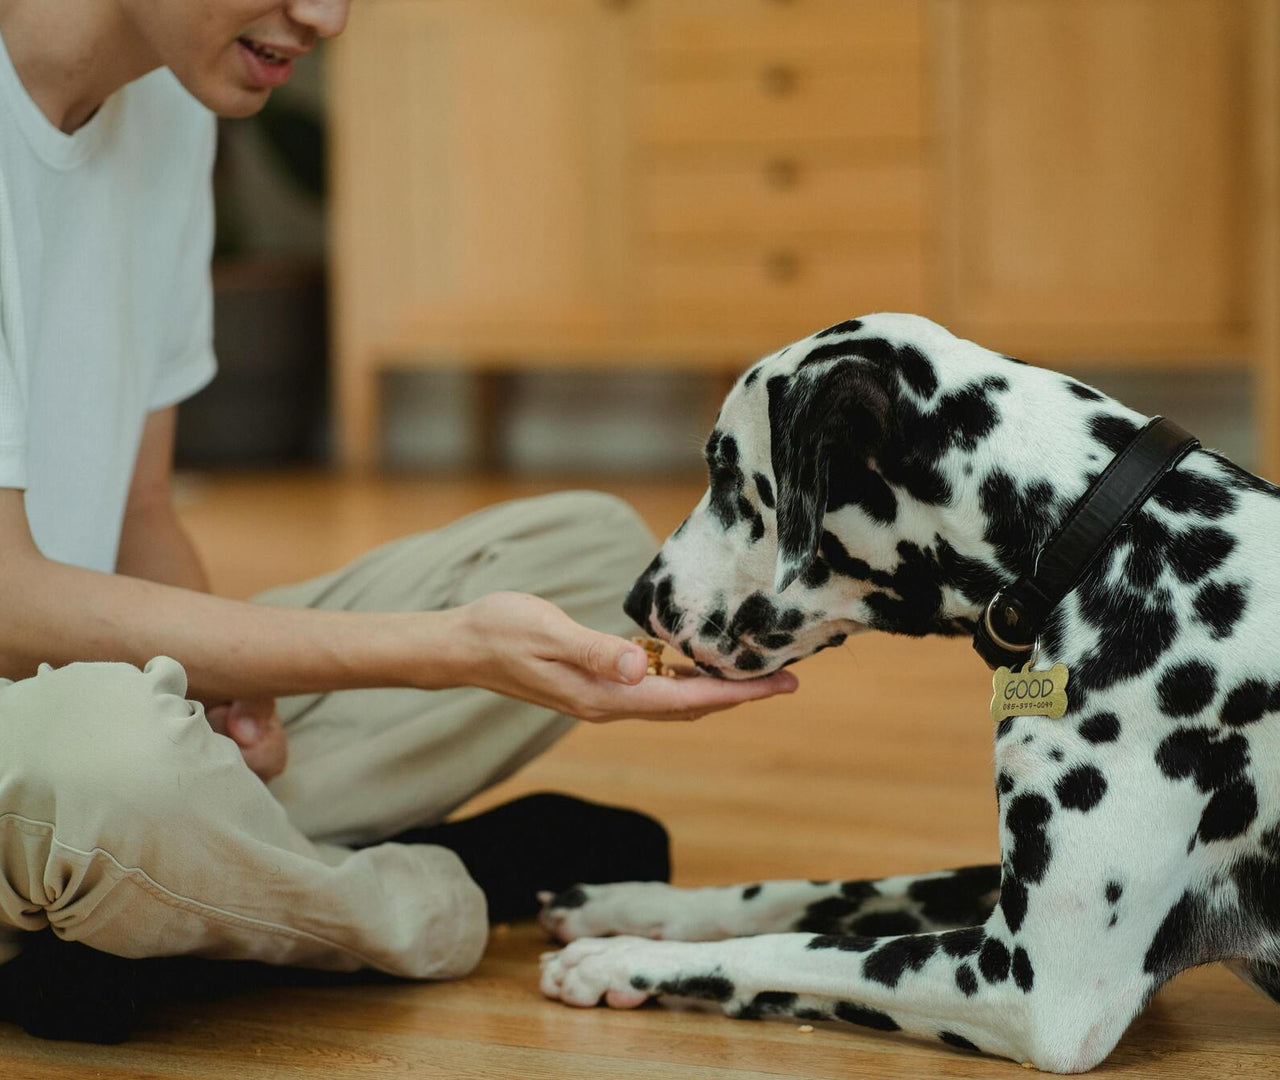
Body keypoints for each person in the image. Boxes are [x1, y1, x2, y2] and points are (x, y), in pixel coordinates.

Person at [0, 0, 798, 1043]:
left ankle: (167, 893)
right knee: (119, 768)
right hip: (58, 722)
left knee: (593, 558)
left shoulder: (168, 107)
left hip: (81, 689)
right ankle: (430, 892)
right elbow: (9, 600)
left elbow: (142, 506)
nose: (326, 16)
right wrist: (447, 649)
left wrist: (225, 702)